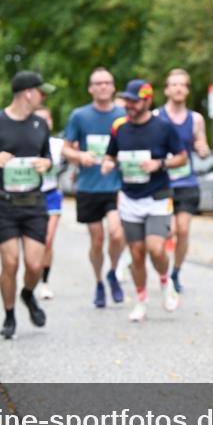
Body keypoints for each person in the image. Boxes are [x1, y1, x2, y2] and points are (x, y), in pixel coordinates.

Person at [0, 71, 55, 340]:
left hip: (33, 204)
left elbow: (47, 158)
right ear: (28, 93)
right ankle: (9, 315)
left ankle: (27, 294)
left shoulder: (40, 125)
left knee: (34, 265)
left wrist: (47, 164)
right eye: (41, 92)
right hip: (3, 204)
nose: (43, 97)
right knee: (11, 263)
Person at [101, 79, 187, 322]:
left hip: (158, 197)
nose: (128, 104)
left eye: (134, 100)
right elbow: (110, 156)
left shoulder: (163, 127)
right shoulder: (119, 127)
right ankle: (141, 301)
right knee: (137, 253)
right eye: (127, 100)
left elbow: (182, 158)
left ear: (147, 100)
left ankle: (164, 279)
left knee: (156, 248)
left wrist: (158, 164)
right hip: (129, 198)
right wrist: (108, 164)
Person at [62, 67, 127, 308]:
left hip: (116, 185)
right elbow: (65, 148)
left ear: (113, 87)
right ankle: (100, 281)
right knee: (97, 241)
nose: (102, 87)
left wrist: (119, 159)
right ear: (90, 88)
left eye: (107, 83)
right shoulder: (79, 116)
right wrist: (79, 156)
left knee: (117, 234)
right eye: (97, 83)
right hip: (89, 186)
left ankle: (113, 271)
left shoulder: (123, 115)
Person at [155, 68, 210, 293]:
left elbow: (203, 147)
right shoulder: (157, 117)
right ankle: (163, 270)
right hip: (162, 183)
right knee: (167, 232)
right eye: (174, 84)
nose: (178, 88)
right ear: (167, 89)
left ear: (187, 90)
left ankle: (176, 272)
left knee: (183, 231)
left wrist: (202, 149)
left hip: (187, 182)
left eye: (183, 85)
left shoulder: (196, 119)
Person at [33, 106, 64, 300]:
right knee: (34, 243)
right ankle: (31, 275)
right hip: (30, 197)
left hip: (52, 195)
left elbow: (76, 153)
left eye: (47, 119)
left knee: (48, 240)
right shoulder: (25, 143)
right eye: (39, 119)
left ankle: (44, 282)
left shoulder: (58, 144)